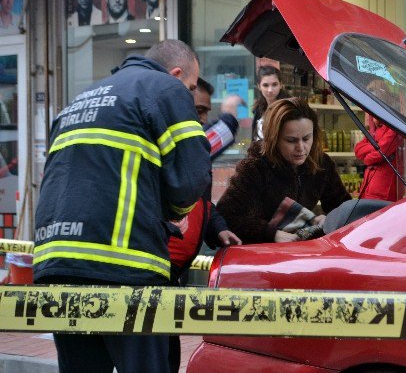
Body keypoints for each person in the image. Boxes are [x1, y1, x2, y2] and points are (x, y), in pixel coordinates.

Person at [32, 39, 211, 373]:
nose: (189, 95)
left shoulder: (82, 97)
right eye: (190, 87)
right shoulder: (165, 88)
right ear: (176, 75)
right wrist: (176, 215)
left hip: (56, 264)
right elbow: (191, 177)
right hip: (123, 265)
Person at [166, 77, 243, 373]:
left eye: (205, 113)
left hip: (172, 270)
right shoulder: (175, 143)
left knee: (165, 354)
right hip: (151, 268)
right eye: (198, 111)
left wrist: (217, 227)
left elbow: (202, 201)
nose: (202, 120)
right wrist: (229, 116)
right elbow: (212, 140)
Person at [216, 97, 351, 244]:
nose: (301, 147)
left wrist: (331, 219)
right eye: (291, 140)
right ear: (274, 139)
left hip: (299, 252)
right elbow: (226, 217)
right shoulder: (254, 168)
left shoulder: (322, 163)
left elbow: (344, 207)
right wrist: (270, 233)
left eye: (306, 138)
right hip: (260, 255)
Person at [354, 114, 404, 201]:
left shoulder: (394, 130)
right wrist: (376, 146)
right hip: (370, 186)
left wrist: (368, 155)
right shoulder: (374, 130)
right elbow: (358, 150)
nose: (374, 119)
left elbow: (380, 153)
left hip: (383, 189)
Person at [251, 65, 289, 141]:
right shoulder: (259, 108)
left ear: (281, 85)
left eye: (274, 84)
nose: (270, 90)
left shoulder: (287, 108)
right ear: (259, 86)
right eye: (265, 85)